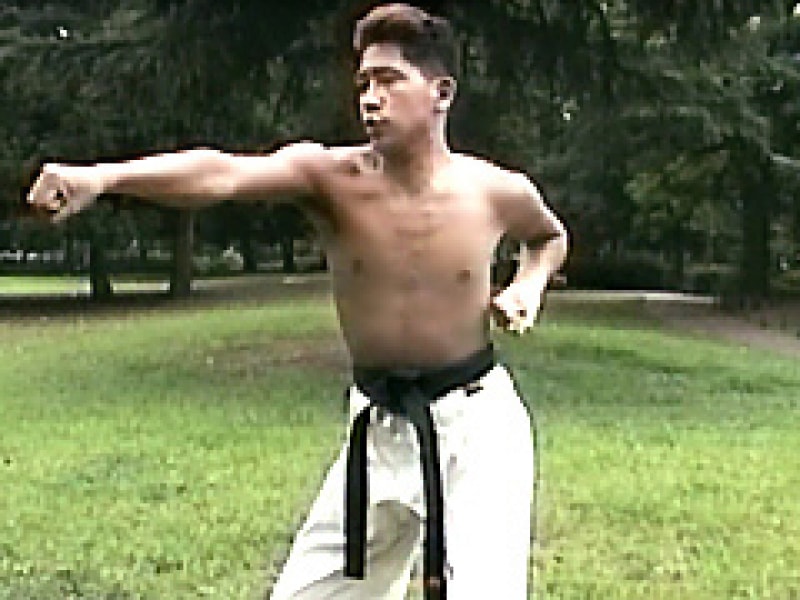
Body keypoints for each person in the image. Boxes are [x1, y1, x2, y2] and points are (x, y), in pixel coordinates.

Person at [27, 3, 568, 598]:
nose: (370, 99)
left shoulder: (496, 191)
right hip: (377, 426)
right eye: (363, 83)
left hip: (475, 429)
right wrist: (103, 178)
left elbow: (549, 237)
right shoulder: (330, 178)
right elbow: (223, 174)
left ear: (441, 93)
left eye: (389, 81)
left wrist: (528, 285)